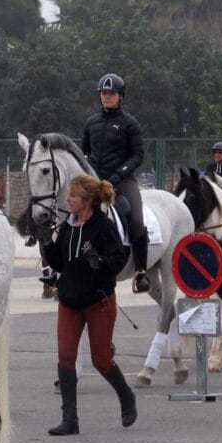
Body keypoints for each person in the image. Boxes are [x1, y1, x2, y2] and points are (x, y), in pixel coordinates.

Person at [39, 174, 136, 435]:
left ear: (87, 200)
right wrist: (47, 242)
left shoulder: (104, 227)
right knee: (65, 357)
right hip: (70, 300)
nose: (68, 200)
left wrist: (100, 263)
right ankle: (70, 420)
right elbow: (60, 263)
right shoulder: (69, 227)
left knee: (101, 360)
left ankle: (126, 396)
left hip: (98, 301)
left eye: (72, 196)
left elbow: (117, 261)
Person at [81, 73, 150, 293]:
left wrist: (117, 176)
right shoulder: (91, 123)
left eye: (111, 93)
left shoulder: (130, 123)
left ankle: (140, 271)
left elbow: (138, 155)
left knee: (136, 220)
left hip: (122, 181)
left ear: (120, 96)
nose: (107, 97)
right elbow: (84, 154)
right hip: (95, 182)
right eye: (104, 93)